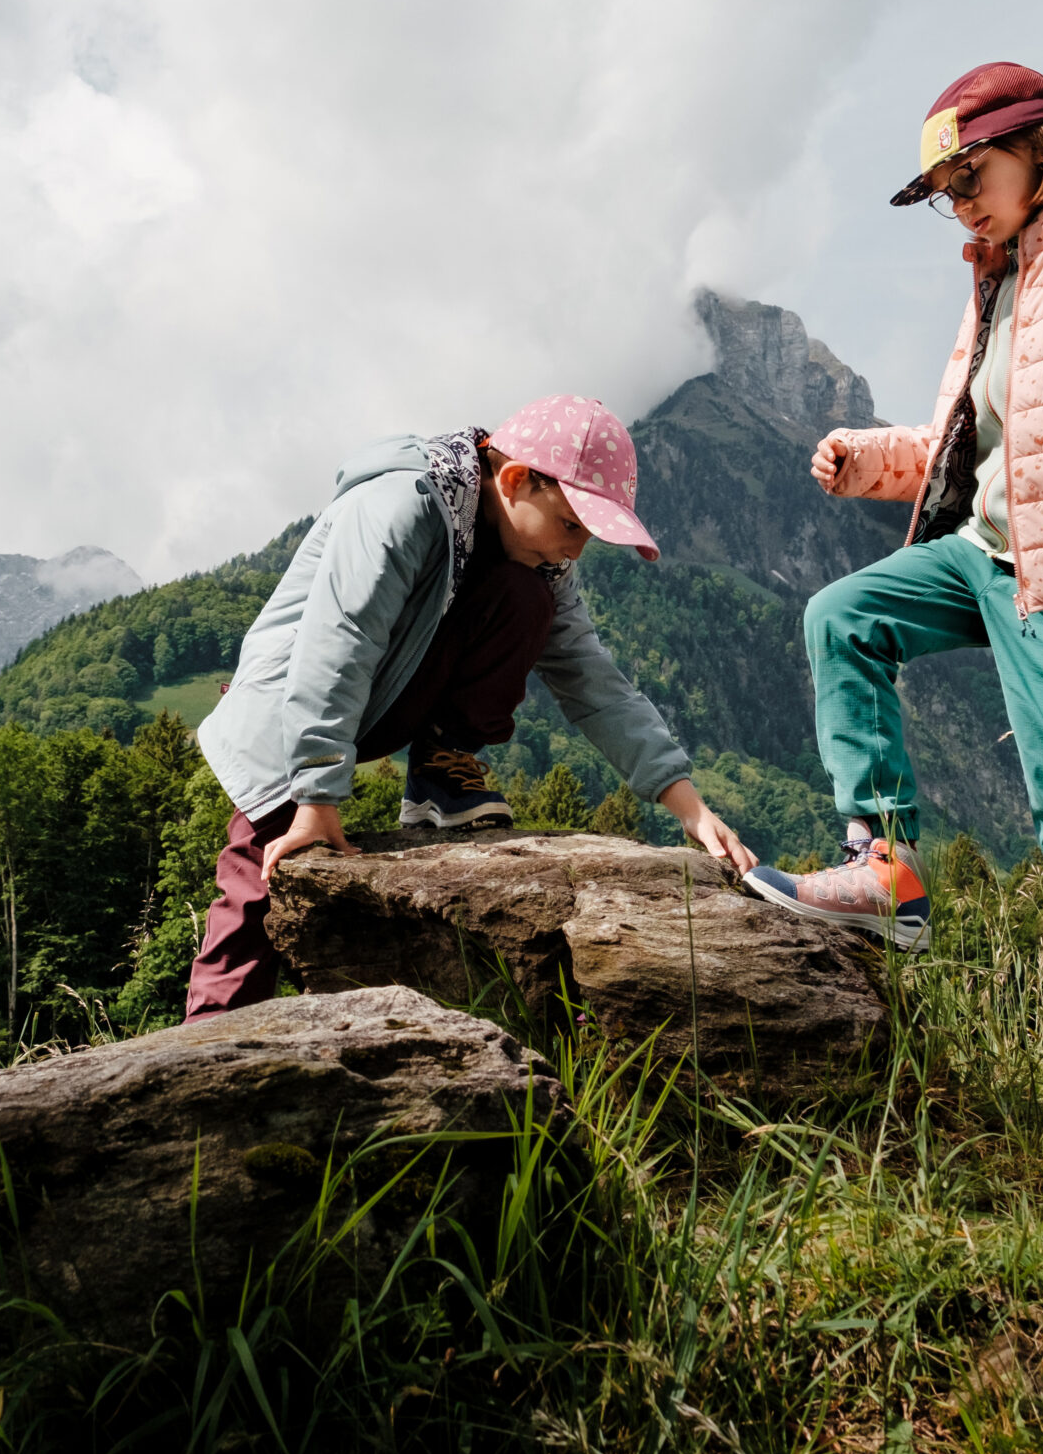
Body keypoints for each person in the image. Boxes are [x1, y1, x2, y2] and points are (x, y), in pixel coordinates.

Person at [743, 60, 1043, 1104]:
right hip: (986, 551)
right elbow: (971, 444)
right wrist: (868, 462)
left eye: (968, 179)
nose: (956, 204)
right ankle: (887, 867)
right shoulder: (997, 283)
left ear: (1040, 149)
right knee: (842, 616)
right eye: (944, 194)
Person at [184, 395, 756, 1019]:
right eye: (572, 525)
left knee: (526, 600)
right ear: (514, 480)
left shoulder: (538, 564)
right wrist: (316, 797)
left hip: (380, 702)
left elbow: (595, 681)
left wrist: (688, 805)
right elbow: (339, 640)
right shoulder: (400, 507)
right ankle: (206, 1045)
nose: (576, 551)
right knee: (259, 879)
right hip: (287, 713)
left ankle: (439, 772)